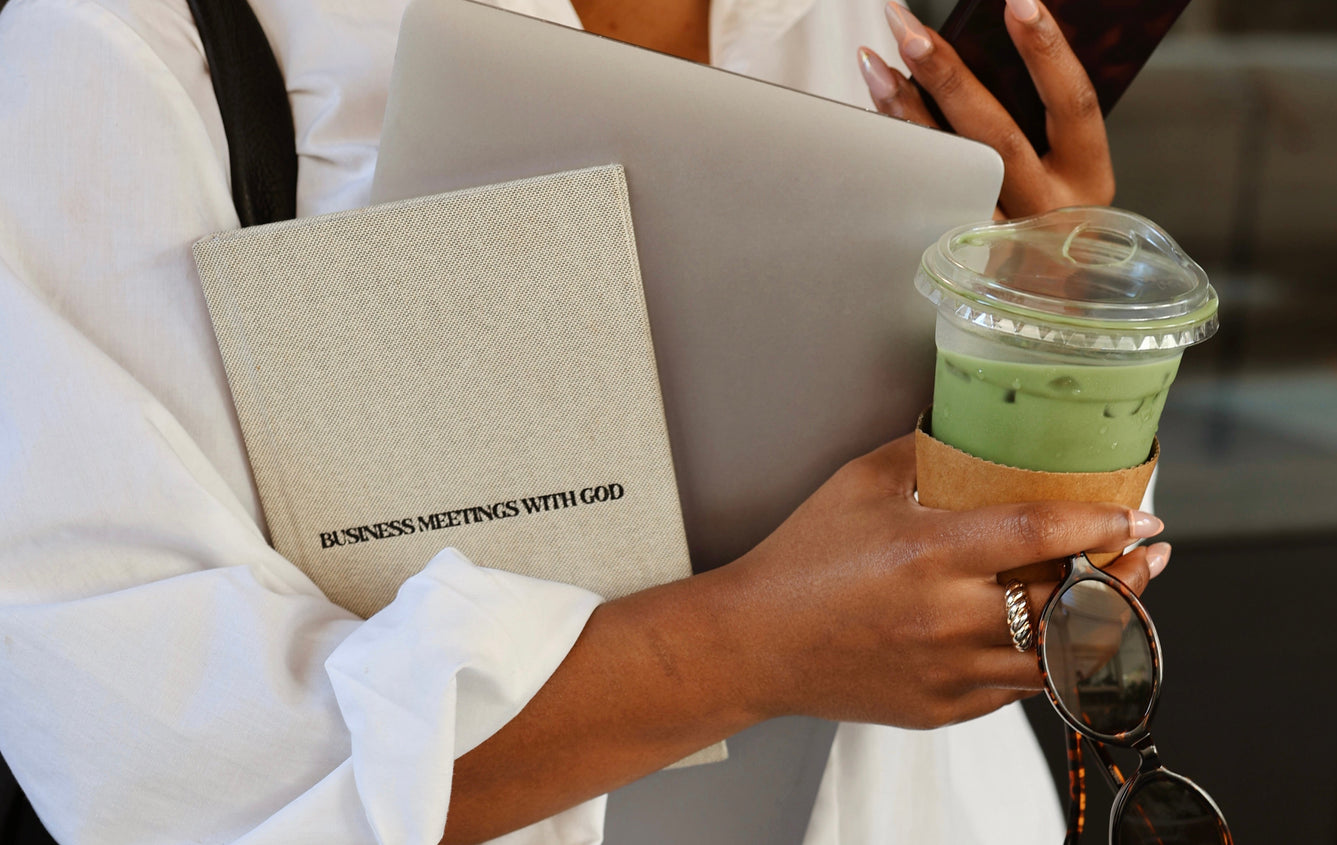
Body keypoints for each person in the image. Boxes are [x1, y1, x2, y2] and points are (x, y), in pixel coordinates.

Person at [0, 0, 1157, 843]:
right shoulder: (124, 43)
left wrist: (1048, 353)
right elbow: (149, 751)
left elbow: (1045, 598)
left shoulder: (851, 24)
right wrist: (752, 646)